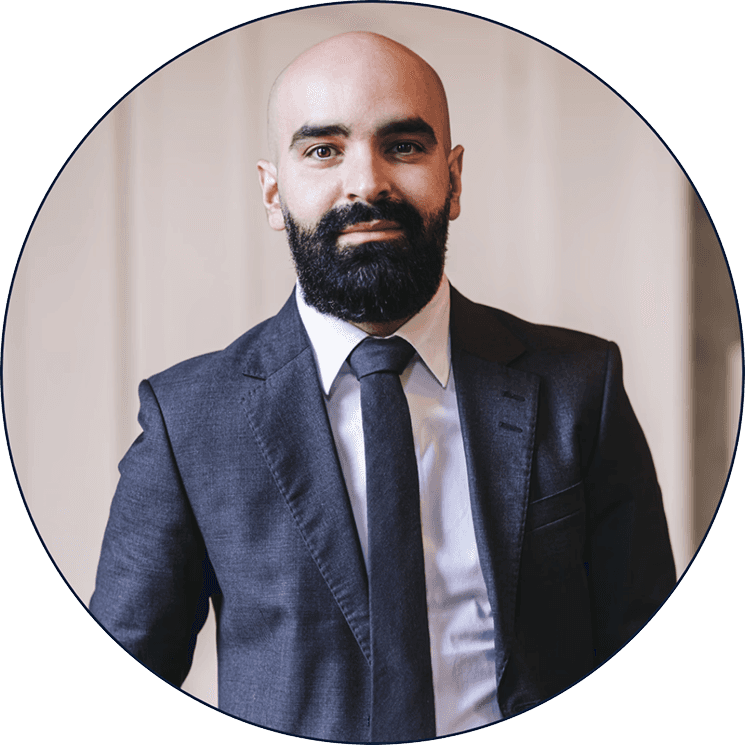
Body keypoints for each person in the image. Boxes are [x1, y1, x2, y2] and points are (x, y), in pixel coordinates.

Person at [90, 32, 676, 742]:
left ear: (453, 179)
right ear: (273, 191)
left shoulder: (581, 387)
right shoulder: (189, 421)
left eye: (402, 146)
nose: (366, 183)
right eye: (323, 150)